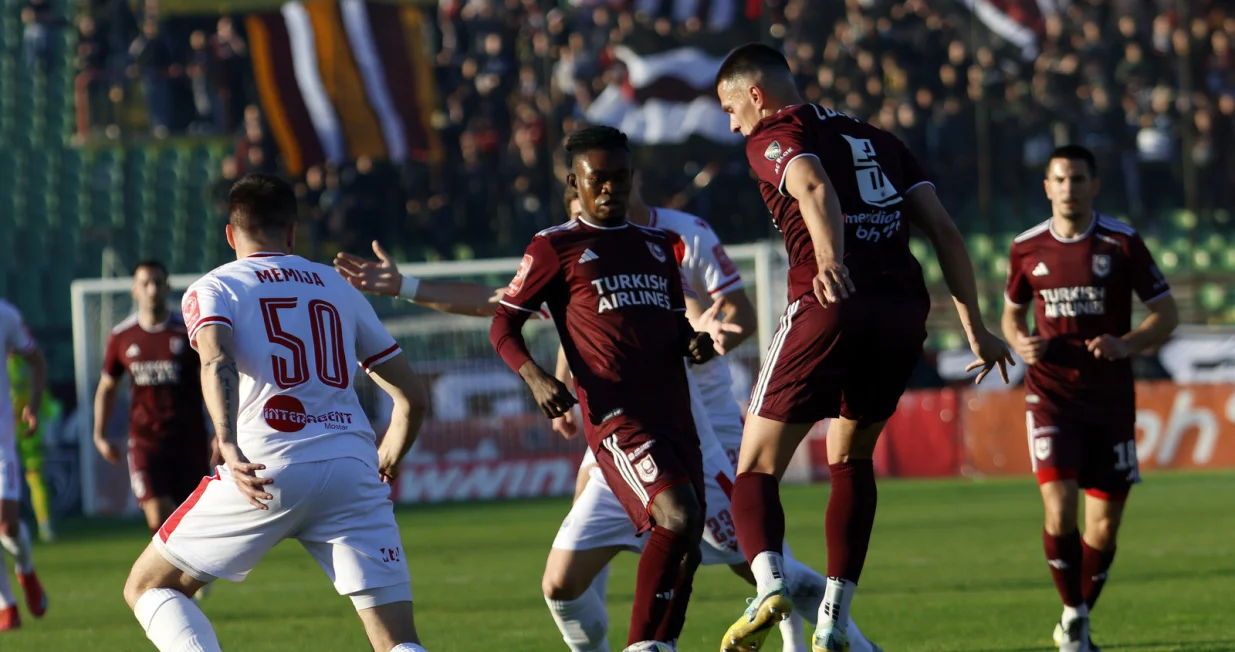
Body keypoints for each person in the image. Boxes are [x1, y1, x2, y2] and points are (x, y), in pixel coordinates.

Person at [336, 187, 883, 652]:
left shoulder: (666, 247)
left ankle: (842, 639)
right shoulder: (570, 257)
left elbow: (716, 315)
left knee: (760, 566)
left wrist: (709, 337)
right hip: (619, 441)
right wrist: (403, 286)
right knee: (561, 583)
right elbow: (493, 303)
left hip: (693, 435)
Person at [713, 43, 1013, 652]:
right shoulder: (877, 138)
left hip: (831, 302)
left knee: (756, 465)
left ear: (755, 94)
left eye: (729, 107)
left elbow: (814, 187)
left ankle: (769, 584)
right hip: (903, 311)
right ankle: (832, 618)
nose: (731, 123)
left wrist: (828, 260)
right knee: (852, 455)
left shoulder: (774, 132)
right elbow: (946, 233)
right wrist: (975, 326)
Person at [120, 173, 431, 652]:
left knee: (148, 586)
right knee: (397, 642)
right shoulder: (337, 285)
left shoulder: (214, 287)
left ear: (230, 233)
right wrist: (388, 455)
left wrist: (226, 443)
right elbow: (411, 396)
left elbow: (216, 359)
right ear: (292, 230)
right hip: (351, 465)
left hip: (265, 468)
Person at [490, 126, 715, 652]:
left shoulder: (660, 246)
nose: (612, 188)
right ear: (576, 182)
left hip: (674, 414)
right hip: (618, 417)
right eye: (600, 179)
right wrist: (537, 377)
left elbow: (670, 323)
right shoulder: (555, 246)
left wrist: (694, 342)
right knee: (678, 517)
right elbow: (503, 324)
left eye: (621, 178)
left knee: (689, 542)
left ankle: (661, 644)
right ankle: (641, 646)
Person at [1002, 145, 1178, 652]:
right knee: (1059, 509)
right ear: (1047, 187)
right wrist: (1019, 341)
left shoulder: (1121, 243)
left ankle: (1072, 617)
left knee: (1104, 526)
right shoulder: (1026, 247)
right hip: (1051, 395)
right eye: (1060, 179)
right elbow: (1012, 315)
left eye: (1079, 179)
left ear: (1094, 185)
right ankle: (1077, 617)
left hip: (1110, 400)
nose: (1069, 187)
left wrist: (1127, 344)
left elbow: (1165, 314)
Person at [94, 261, 215, 534]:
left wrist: (220, 429)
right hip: (145, 441)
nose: (152, 289)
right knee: (158, 521)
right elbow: (107, 387)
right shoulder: (122, 336)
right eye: (145, 283)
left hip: (189, 439)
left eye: (158, 283)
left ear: (168, 288)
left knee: (191, 524)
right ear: (134, 290)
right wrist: (99, 434)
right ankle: (166, 577)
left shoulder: (187, 332)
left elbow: (211, 379)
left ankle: (192, 577)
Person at [0, 299, 48, 632]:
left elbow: (37, 362)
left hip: (2, 443)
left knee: (6, 524)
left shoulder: (5, 315)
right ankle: (7, 606)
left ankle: (26, 569)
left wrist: (32, 405)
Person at [8, 354, 61, 542]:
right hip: (5, 437)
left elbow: (42, 396)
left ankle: (45, 526)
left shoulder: (29, 365)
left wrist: (49, 419)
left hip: (29, 435)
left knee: (36, 479)